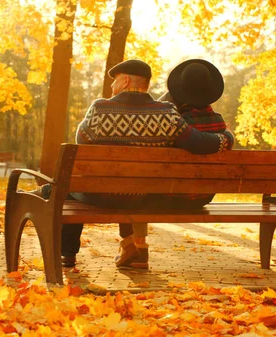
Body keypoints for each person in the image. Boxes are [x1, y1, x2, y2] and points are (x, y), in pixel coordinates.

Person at [59, 59, 234, 268]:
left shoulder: (99, 109)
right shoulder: (167, 113)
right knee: (128, 185)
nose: (111, 87)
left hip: (102, 195)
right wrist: (228, 138)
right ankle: (128, 243)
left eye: (114, 81)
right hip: (140, 196)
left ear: (124, 81)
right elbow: (200, 142)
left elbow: (81, 140)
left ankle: (67, 253)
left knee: (69, 189)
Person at [124, 59, 234, 269]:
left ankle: (139, 249)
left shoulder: (173, 124)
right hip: (202, 198)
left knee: (139, 188)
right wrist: (229, 135)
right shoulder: (219, 123)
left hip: (167, 197)